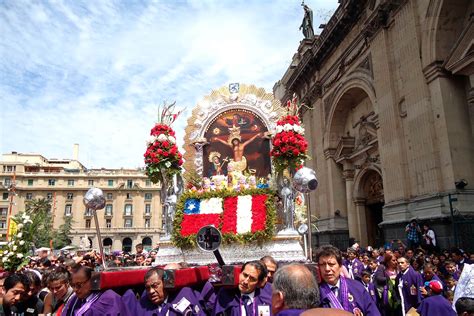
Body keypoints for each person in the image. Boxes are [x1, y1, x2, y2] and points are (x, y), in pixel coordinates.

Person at [316, 245, 380, 315]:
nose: (327, 269)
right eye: (322, 264)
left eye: (331, 264)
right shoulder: (315, 293)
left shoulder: (357, 288)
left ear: (340, 266)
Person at [121, 267, 205, 315]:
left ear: (165, 283)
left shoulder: (184, 295)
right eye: (147, 288)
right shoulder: (142, 306)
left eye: (155, 286)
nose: (151, 291)